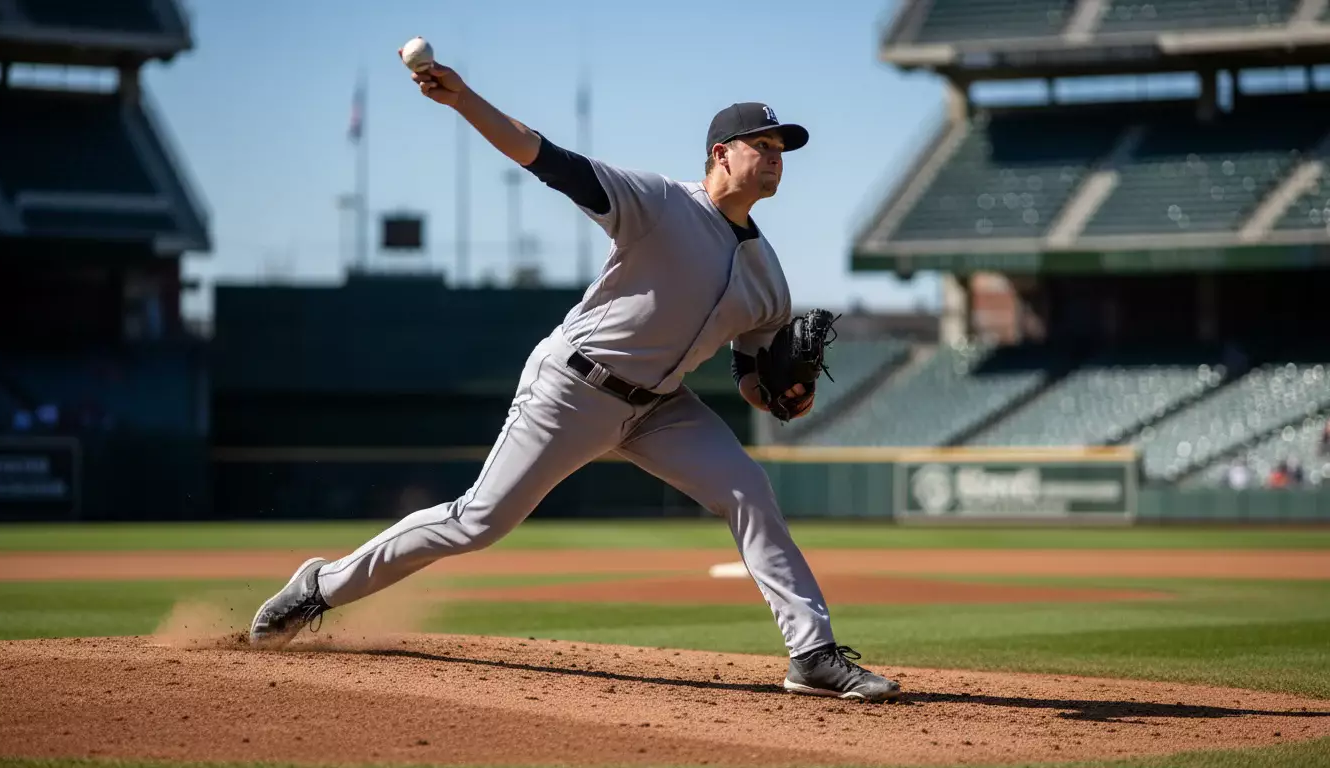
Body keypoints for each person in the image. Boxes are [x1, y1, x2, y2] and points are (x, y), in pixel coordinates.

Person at [247, 56, 901, 703]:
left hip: (661, 410)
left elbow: (754, 378)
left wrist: (787, 395)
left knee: (749, 489)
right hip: (572, 388)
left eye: (783, 147)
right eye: (763, 144)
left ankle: (812, 655)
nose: (777, 155)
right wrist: (464, 99)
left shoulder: (770, 278)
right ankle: (320, 586)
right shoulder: (659, 202)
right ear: (721, 154)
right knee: (477, 522)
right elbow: (547, 158)